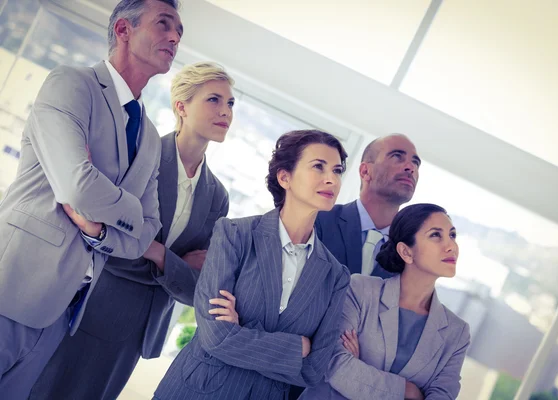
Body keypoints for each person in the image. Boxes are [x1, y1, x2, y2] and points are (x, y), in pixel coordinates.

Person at [0, 0, 182, 397]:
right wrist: (127, 209)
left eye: (179, 32)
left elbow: (144, 235)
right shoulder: (72, 84)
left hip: (64, 312)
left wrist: (100, 229)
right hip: (10, 288)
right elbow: (77, 188)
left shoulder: (150, 136)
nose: (174, 37)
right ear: (123, 31)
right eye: (164, 24)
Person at [29, 62, 232, 400]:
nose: (225, 111)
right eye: (214, 100)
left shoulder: (218, 197)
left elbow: (199, 285)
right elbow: (105, 241)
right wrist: (171, 262)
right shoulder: (141, 156)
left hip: (138, 334)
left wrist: (153, 250)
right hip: (91, 310)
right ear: (181, 106)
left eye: (230, 103)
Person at [153, 130, 351, 400]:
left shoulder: (336, 276)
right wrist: (297, 347)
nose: (332, 179)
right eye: (318, 166)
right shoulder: (235, 234)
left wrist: (241, 333)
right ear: (285, 177)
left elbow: (313, 370)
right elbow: (215, 336)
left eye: (337, 170)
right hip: (197, 391)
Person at [301, 203, 471, 400]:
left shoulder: (457, 333)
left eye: (452, 235)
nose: (451, 246)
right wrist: (408, 391)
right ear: (406, 252)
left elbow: (443, 395)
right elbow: (334, 364)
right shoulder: (360, 290)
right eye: (435, 235)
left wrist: (361, 371)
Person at [315, 134, 420, 279]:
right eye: (397, 157)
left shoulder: (411, 256)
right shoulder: (318, 220)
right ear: (365, 171)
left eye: (416, 163)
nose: (411, 168)